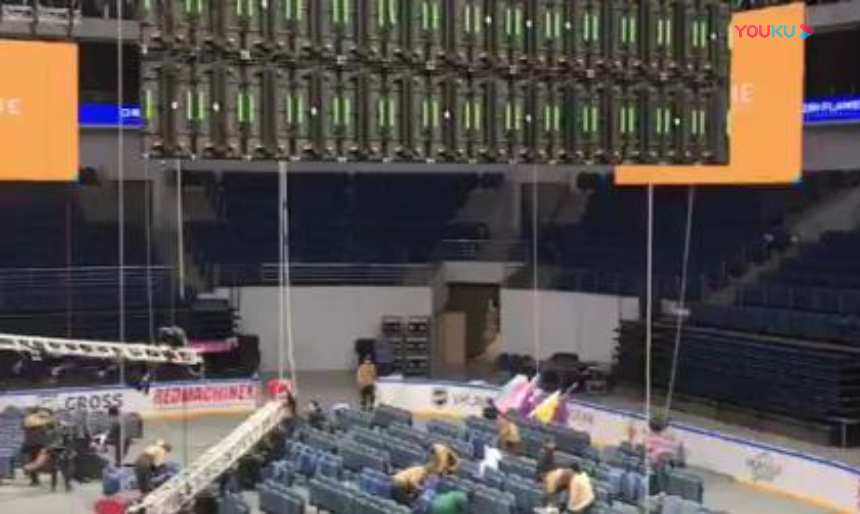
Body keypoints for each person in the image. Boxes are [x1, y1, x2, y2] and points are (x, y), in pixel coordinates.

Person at [22, 407, 55, 486]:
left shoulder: (35, 419)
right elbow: (34, 424)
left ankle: (34, 479)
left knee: (35, 460)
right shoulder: (31, 419)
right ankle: (34, 478)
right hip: (36, 443)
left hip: (35, 443)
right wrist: (47, 419)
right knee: (36, 460)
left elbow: (51, 426)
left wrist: (48, 419)